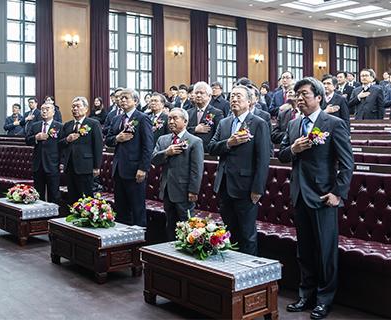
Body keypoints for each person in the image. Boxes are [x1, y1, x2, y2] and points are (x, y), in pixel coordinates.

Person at [278, 77, 353, 320]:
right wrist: (293, 150)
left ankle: (324, 299)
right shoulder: (294, 124)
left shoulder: (333, 123)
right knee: (305, 250)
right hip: (299, 194)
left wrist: (337, 193)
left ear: (319, 97)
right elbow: (282, 154)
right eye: (297, 94)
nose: (299, 98)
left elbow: (347, 163)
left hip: (323, 196)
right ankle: (305, 294)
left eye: (305, 94)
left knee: (325, 252)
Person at [207, 84, 271, 255]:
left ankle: (249, 273)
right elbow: (212, 147)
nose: (233, 99)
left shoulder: (259, 123)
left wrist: (257, 189)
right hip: (224, 184)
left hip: (246, 187)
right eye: (232, 96)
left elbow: (263, 159)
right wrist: (229, 143)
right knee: (229, 232)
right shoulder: (224, 122)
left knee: (247, 234)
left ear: (250, 102)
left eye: (238, 96)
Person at [151, 108, 204, 240]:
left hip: (184, 190)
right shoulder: (163, 140)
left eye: (175, 118)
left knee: (186, 225)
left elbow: (196, 169)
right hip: (167, 189)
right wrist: (166, 152)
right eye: (169, 119)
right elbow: (153, 159)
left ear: (185, 122)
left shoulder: (194, 141)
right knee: (170, 224)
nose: (171, 121)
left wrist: (193, 190)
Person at [105, 89, 154, 227]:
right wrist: (117, 138)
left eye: (126, 97)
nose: (122, 100)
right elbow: (108, 140)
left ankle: (139, 240)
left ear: (136, 101)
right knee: (120, 207)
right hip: (119, 168)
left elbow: (148, 146)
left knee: (137, 207)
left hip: (135, 169)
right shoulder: (116, 119)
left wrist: (143, 168)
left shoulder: (142, 118)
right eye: (120, 98)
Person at [59, 97, 103, 204]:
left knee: (86, 196)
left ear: (86, 109)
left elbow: (98, 145)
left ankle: (86, 218)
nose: (75, 109)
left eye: (78, 106)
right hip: (70, 166)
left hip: (85, 166)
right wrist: (67, 140)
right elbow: (60, 143)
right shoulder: (67, 125)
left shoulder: (93, 123)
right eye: (73, 106)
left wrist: (97, 166)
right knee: (72, 196)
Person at [25, 103, 62, 204]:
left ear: (53, 112)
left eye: (47, 109)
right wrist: (36, 138)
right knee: (38, 194)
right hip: (38, 164)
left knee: (54, 195)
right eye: (42, 109)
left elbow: (62, 146)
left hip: (53, 165)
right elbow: (27, 140)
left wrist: (62, 163)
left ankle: (53, 218)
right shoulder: (35, 125)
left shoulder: (59, 126)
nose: (44, 111)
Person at [186, 81, 224, 152]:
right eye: (196, 93)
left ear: (209, 96)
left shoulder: (216, 113)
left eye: (201, 93)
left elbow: (219, 134)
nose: (198, 95)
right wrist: (195, 129)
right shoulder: (188, 113)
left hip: (207, 151)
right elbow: (183, 131)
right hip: (189, 150)